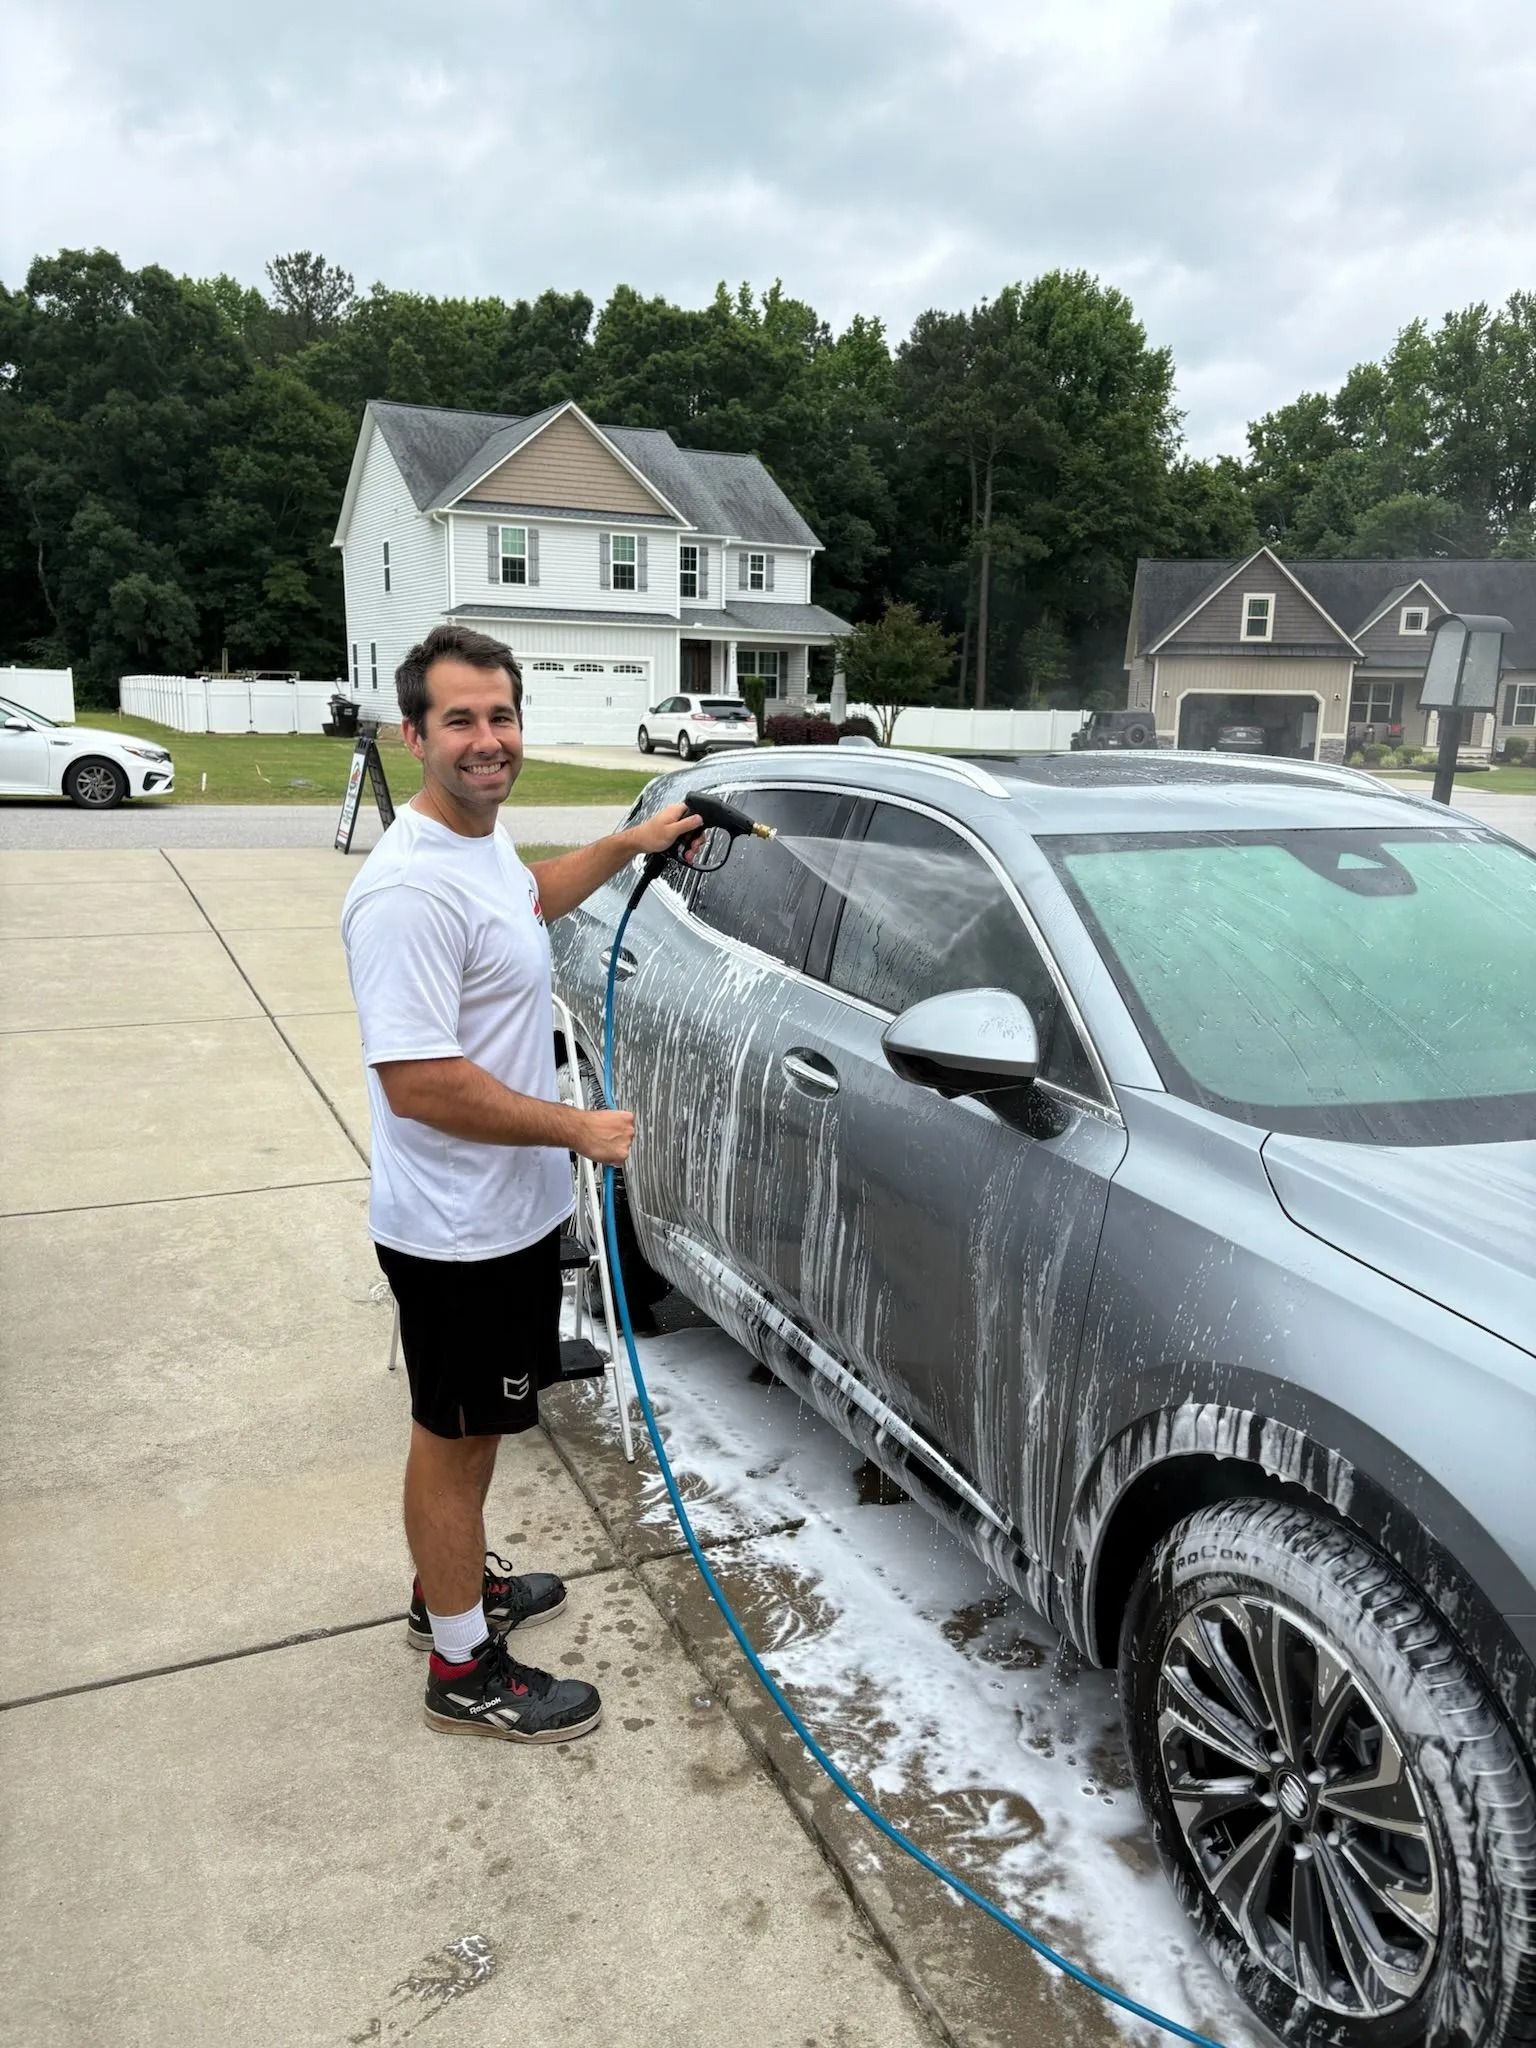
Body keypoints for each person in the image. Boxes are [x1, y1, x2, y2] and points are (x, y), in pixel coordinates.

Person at [341, 623, 699, 1744]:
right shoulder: (403, 892)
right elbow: (420, 1083)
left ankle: (449, 1591)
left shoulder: (477, 850)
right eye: (461, 719)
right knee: (450, 1442)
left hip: (504, 1215)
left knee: (482, 1427)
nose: (487, 739)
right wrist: (574, 1125)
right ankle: (461, 1665)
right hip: (454, 1228)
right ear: (414, 735)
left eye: (501, 716)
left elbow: (533, 897)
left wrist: (638, 838)